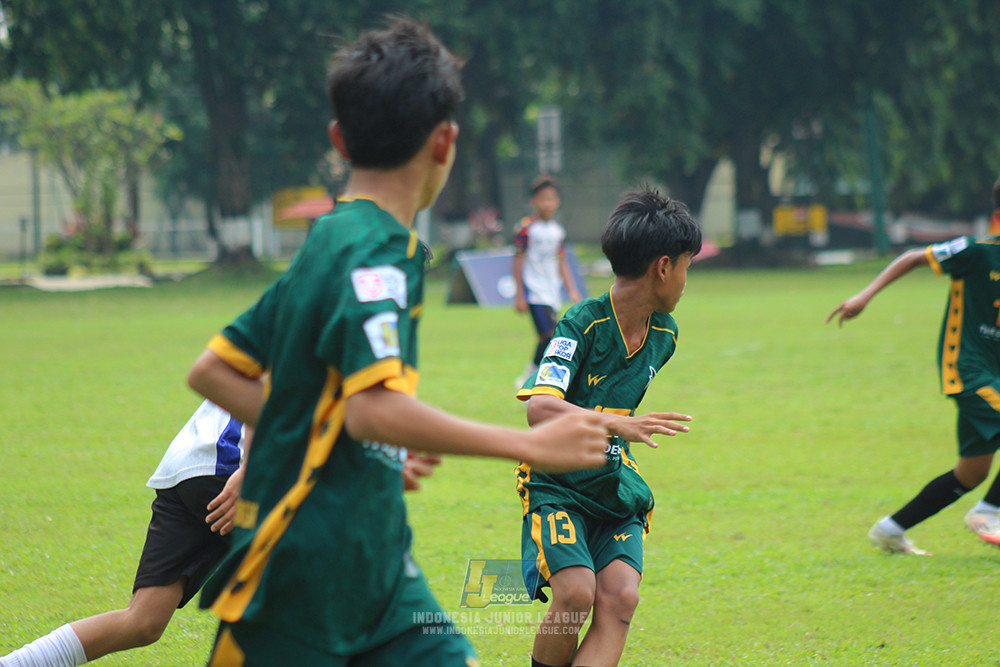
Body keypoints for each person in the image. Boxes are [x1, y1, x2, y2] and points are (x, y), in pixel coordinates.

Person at [185, 17, 609, 667]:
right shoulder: (380, 249)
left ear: (338, 138)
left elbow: (216, 370)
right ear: (446, 142)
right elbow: (368, 406)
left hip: (379, 569)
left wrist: (360, 450)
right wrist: (528, 442)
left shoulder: (330, 237)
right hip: (301, 580)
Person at [515, 188, 701, 667]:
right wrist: (620, 426)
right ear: (663, 267)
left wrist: (619, 433)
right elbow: (539, 409)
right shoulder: (580, 324)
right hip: (555, 482)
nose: (685, 279)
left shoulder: (665, 334)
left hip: (612, 483)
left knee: (620, 598)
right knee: (576, 593)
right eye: (686, 265)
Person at [1, 400, 248, 667]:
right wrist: (249, 470)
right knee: (290, 590)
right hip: (232, 466)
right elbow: (269, 392)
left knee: (143, 620)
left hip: (190, 462)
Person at [827, 175, 1000, 555]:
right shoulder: (977, 251)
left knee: (971, 472)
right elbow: (912, 257)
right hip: (968, 369)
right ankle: (990, 509)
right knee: (980, 479)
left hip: (994, 376)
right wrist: (865, 294)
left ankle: (890, 529)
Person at [513, 175, 584, 388]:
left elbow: (562, 262)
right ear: (533, 201)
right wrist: (519, 294)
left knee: (549, 338)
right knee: (551, 335)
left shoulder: (557, 231)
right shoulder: (526, 228)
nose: (548, 203)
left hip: (551, 291)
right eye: (543, 198)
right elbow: (518, 260)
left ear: (558, 202)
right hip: (533, 291)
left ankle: (531, 379)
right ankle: (531, 379)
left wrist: (572, 290)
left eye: (552, 198)